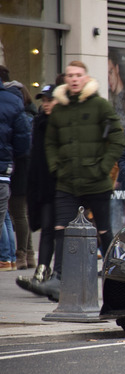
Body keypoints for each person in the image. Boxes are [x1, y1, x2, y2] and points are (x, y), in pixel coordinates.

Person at [35, 61, 125, 301]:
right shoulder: (60, 109)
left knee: (104, 231)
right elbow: (51, 143)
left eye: (78, 75)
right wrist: (57, 167)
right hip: (67, 182)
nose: (74, 79)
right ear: (65, 79)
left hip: (96, 182)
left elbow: (118, 138)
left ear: (85, 78)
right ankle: (58, 279)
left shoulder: (99, 105)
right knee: (60, 228)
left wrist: (103, 168)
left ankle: (116, 280)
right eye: (70, 75)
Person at [16, 84, 59, 292]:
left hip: (61, 184)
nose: (46, 104)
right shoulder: (40, 121)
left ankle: (53, 274)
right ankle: (42, 272)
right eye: (44, 100)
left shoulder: (60, 123)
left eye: (50, 99)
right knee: (48, 228)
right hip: (44, 185)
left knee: (58, 230)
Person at [0, 66, 35, 270]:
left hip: (17, 170)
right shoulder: (22, 111)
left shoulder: (23, 113)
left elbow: (23, 146)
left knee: (15, 214)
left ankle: (14, 256)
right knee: (13, 215)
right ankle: (21, 255)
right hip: (13, 169)